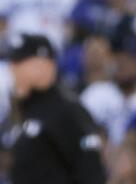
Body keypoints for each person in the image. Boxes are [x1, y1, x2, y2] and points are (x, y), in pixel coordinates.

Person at [7, 33, 105, 184]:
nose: (14, 70)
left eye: (22, 64)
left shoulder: (67, 110)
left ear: (46, 66)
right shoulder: (28, 108)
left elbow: (91, 171)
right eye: (13, 63)